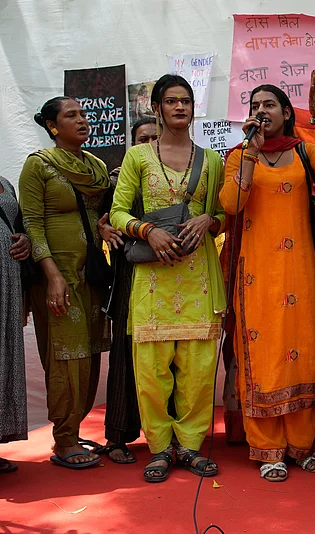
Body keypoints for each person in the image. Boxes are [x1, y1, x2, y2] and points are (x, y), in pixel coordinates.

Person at [218, 70, 315, 482]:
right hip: (255, 271)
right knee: (263, 351)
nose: (261, 111)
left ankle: (300, 444)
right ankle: (268, 448)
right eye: (255, 106)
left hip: (299, 271)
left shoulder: (303, 151)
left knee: (301, 347)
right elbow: (232, 204)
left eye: (269, 105)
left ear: (287, 112)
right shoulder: (239, 155)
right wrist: (252, 155)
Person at [110, 74, 225, 483]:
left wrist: (211, 218)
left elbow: (225, 212)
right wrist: (148, 230)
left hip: (197, 276)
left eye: (186, 100)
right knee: (152, 371)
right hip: (153, 280)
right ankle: (160, 448)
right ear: (156, 108)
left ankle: (191, 446)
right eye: (171, 101)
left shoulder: (212, 161)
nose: (180, 107)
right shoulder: (138, 157)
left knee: (196, 368)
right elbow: (119, 212)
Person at [19, 96, 111, 468]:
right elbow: (31, 223)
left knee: (88, 353)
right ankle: (64, 438)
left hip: (90, 275)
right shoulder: (38, 166)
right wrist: (52, 274)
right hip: (56, 278)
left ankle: (75, 430)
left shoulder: (97, 167)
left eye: (83, 114)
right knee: (64, 357)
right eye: (70, 115)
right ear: (53, 126)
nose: (82, 120)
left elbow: (104, 213)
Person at [93, 114, 160, 465]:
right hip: (128, 280)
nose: (148, 144)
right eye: (142, 138)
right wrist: (101, 230)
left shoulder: (171, 178)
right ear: (132, 144)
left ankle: (168, 438)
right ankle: (117, 437)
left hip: (166, 283)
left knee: (167, 361)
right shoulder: (119, 180)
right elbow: (93, 218)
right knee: (123, 357)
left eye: (154, 138)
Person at [0, 173, 32, 474]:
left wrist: (24, 239)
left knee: (4, 359)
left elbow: (18, 226)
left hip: (8, 284)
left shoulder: (4, 182)